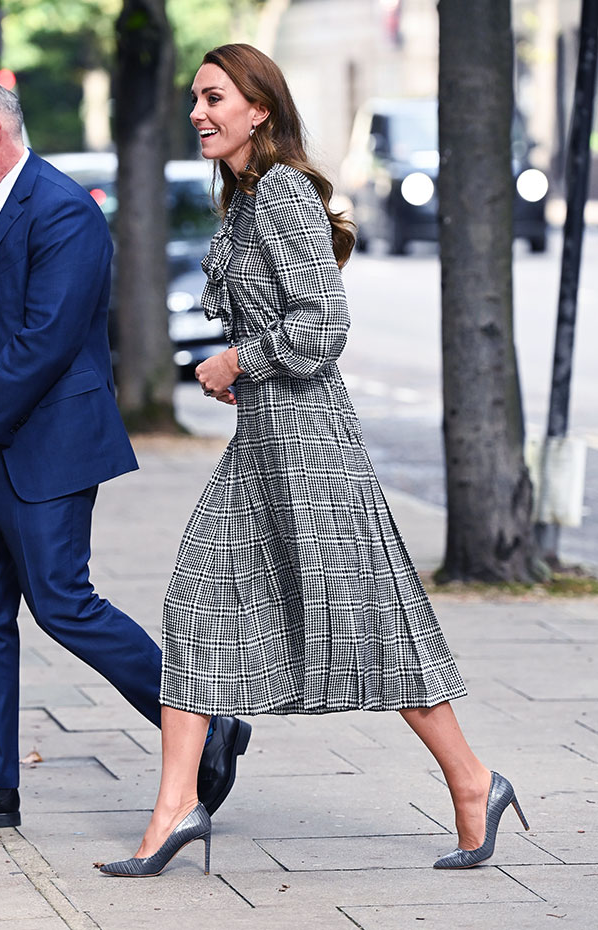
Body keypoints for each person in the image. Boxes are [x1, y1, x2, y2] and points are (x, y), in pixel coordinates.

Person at [99, 43, 529, 879]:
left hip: (311, 447)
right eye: (196, 97)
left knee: (370, 622)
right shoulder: (249, 201)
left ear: (259, 109)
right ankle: (175, 806)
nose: (199, 111)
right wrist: (242, 372)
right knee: (197, 599)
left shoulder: (285, 194)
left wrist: (239, 362)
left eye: (214, 97)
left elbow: (323, 328)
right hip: (263, 443)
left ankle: (474, 780)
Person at [0, 77, 250, 830]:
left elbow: (47, 339)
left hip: (46, 446)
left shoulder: (62, 209)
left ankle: (205, 722)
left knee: (63, 605)